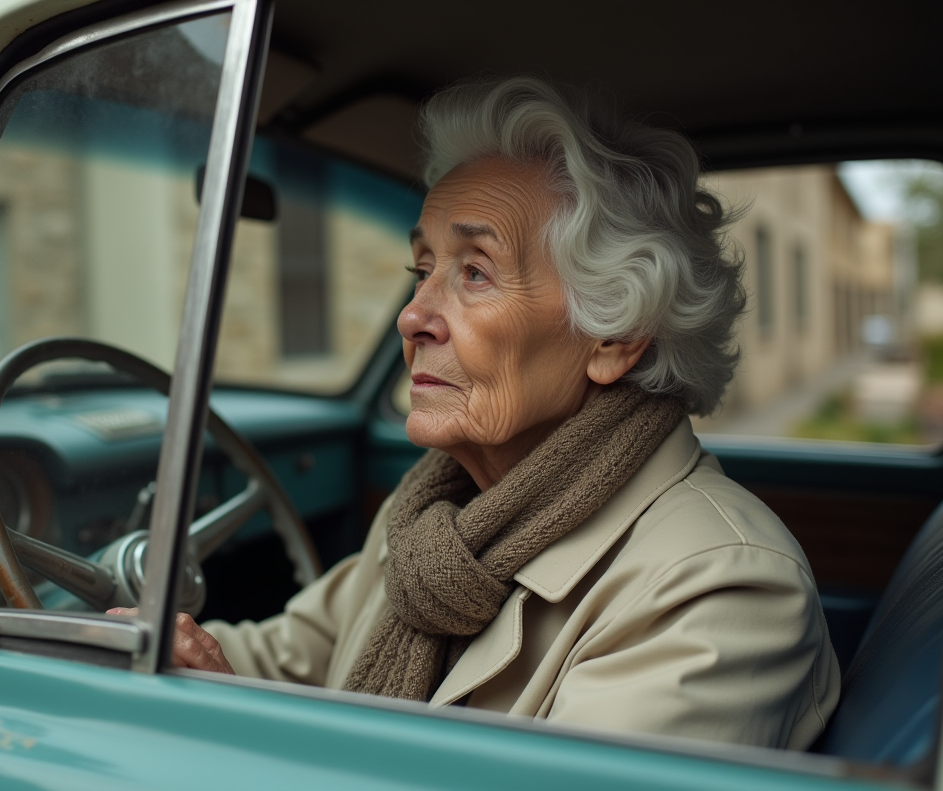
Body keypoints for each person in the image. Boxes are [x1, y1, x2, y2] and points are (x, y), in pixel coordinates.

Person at [111, 76, 840, 749]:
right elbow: (288, 660)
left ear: (615, 337)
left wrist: (230, 748)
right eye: (422, 270)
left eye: (475, 272)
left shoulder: (719, 586)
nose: (412, 317)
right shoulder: (436, 509)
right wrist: (163, 650)